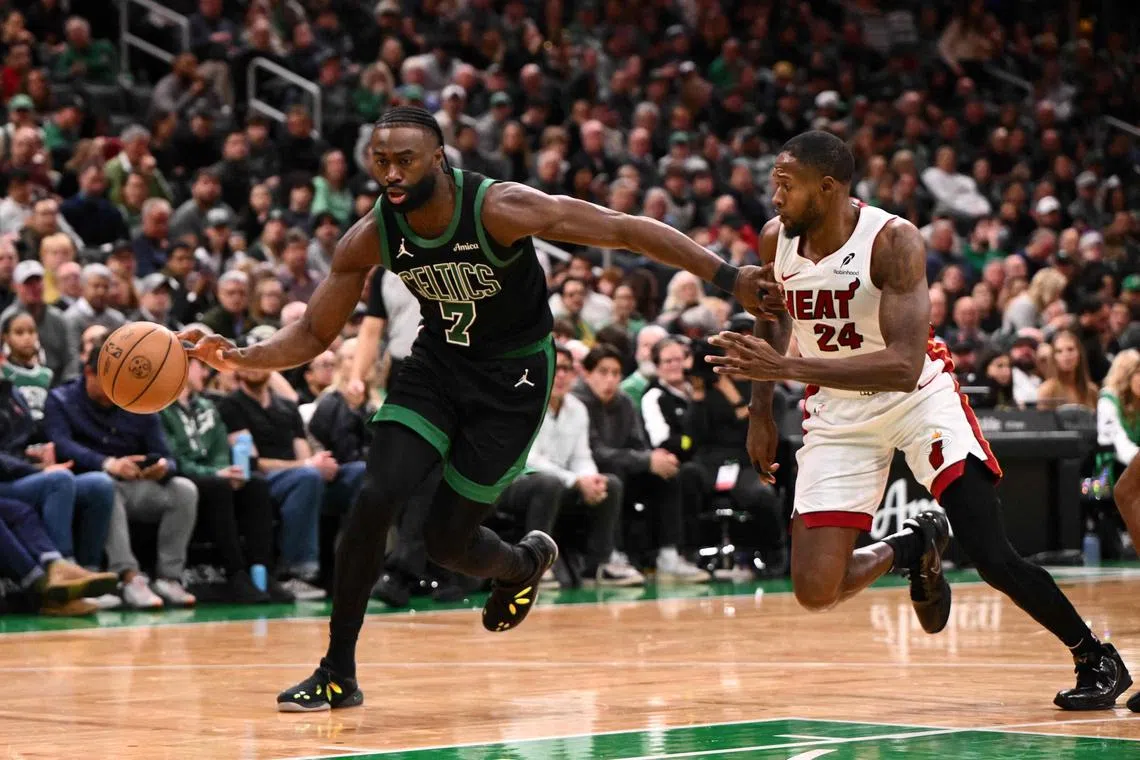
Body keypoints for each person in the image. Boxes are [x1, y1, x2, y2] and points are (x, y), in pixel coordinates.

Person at [180, 107, 769, 712]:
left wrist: (729, 276)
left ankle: (521, 564)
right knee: (376, 496)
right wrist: (240, 357)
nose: (392, 173)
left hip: (513, 380)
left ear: (438, 158)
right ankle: (337, 671)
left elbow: (622, 228)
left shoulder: (499, 207)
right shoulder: (373, 233)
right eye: (381, 162)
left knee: (446, 541)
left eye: (405, 160)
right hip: (436, 366)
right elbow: (312, 333)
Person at [706, 130, 1130, 711]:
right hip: (837, 410)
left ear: (827, 188)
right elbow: (771, 321)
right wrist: (760, 413)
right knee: (815, 590)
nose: (774, 197)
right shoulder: (777, 238)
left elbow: (903, 367)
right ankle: (913, 546)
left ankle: (1094, 656)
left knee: (991, 553)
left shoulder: (892, 240)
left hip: (918, 400)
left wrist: (787, 367)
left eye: (786, 185)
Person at [44, 341, 199, 610]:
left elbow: (167, 455)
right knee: (106, 486)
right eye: (110, 381)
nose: (117, 389)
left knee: (184, 489)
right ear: (89, 372)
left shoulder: (139, 399)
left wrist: (161, 468)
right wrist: (107, 463)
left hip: (135, 486)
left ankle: (169, 577)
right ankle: (129, 577)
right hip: (86, 486)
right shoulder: (61, 400)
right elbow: (62, 444)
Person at [496, 345, 641, 587]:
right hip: (516, 484)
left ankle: (598, 566)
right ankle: (536, 564)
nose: (561, 375)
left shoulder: (577, 409)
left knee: (610, 484)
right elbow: (530, 459)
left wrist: (591, 479)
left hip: (560, 483)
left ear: (575, 374)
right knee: (548, 483)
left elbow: (581, 456)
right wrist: (576, 480)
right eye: (555, 369)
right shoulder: (525, 404)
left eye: (566, 369)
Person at [160, 356, 294, 604]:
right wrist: (214, 473)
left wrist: (227, 470)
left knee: (255, 484)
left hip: (215, 475)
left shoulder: (207, 406)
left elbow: (220, 448)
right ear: (183, 367)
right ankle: (235, 573)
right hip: (182, 477)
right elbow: (173, 456)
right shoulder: (161, 408)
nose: (205, 374)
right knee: (218, 486)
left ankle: (262, 571)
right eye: (201, 367)